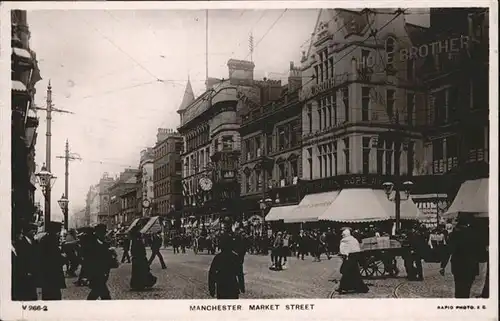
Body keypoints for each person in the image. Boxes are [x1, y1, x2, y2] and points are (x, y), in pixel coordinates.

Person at [441, 215, 482, 298]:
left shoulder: (454, 235)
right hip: (471, 265)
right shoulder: (475, 234)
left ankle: (459, 305)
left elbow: (449, 251)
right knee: (467, 289)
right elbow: (480, 252)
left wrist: (443, 266)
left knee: (459, 289)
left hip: (458, 266)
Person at [39, 221, 66, 300]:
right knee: (54, 295)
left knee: (47, 293)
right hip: (52, 272)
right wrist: (63, 258)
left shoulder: (45, 239)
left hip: (47, 273)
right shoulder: (52, 240)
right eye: (59, 231)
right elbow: (54, 257)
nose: (59, 233)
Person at [336, 228, 369, 295]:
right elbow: (357, 249)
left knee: (346, 273)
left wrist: (343, 254)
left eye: (343, 234)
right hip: (355, 257)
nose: (342, 235)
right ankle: (361, 288)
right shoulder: (354, 239)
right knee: (355, 274)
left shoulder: (344, 241)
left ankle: (342, 288)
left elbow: (342, 250)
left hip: (349, 258)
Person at [12, 220, 38, 301]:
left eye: (35, 230)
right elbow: (21, 259)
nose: (34, 232)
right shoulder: (21, 243)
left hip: (33, 272)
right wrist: (26, 271)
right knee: (27, 292)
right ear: (27, 231)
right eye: (32, 230)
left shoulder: (34, 242)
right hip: (25, 272)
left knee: (33, 292)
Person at [86, 224, 112, 300]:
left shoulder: (102, 242)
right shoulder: (92, 243)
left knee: (97, 292)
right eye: (102, 232)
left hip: (102, 272)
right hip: (97, 272)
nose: (104, 234)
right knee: (102, 293)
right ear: (97, 233)